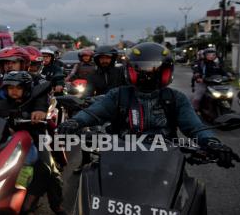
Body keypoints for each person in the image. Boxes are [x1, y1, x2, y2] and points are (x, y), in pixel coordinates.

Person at [59, 42, 239, 169]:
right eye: (141, 70)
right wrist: (74, 122)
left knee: (193, 193)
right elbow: (93, 113)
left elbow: (196, 128)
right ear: (130, 71)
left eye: (154, 70)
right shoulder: (118, 95)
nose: (148, 76)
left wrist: (213, 143)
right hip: (119, 159)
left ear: (166, 72)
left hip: (165, 163)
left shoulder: (176, 98)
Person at [0, 71, 65, 215]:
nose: (14, 91)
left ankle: (51, 205)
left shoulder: (34, 102)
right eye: (10, 88)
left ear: (27, 88)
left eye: (18, 88)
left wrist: (41, 113)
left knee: (47, 170)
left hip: (35, 140)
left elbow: (44, 102)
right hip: (4, 144)